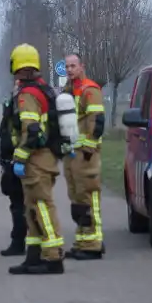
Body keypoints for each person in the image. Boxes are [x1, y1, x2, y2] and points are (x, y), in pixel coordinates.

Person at [7, 43, 66, 275]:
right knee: (32, 209)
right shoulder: (43, 89)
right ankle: (33, 257)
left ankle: (53, 257)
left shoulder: (28, 94)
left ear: (17, 65)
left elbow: (30, 130)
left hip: (37, 160)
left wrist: (19, 158)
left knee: (42, 207)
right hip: (45, 158)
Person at [63, 53, 106, 260]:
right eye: (67, 66)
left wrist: (89, 150)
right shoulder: (67, 91)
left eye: (73, 66)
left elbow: (96, 123)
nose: (70, 69)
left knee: (89, 197)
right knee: (77, 199)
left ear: (82, 66)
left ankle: (94, 244)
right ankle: (82, 240)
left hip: (86, 155)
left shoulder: (90, 90)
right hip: (71, 154)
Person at [0, 80, 26, 256]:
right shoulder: (12, 104)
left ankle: (20, 242)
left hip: (20, 159)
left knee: (22, 204)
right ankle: (20, 241)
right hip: (10, 159)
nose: (16, 85)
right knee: (17, 202)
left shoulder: (24, 104)